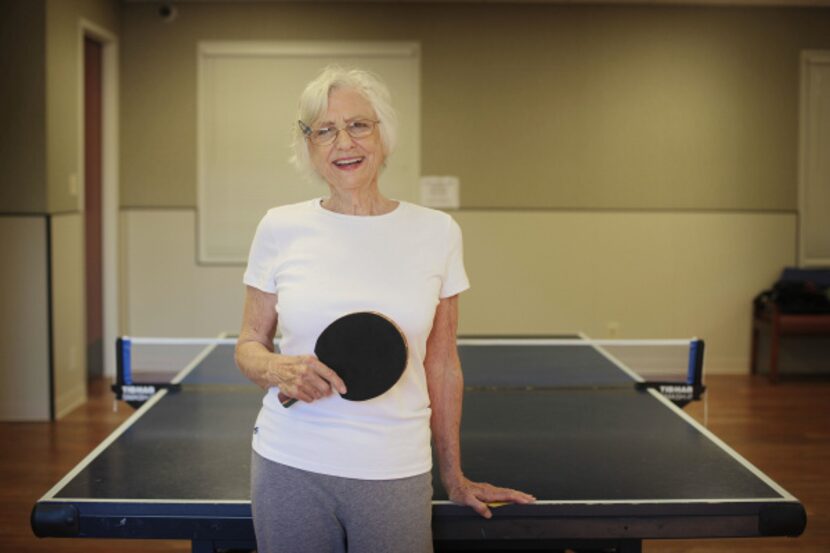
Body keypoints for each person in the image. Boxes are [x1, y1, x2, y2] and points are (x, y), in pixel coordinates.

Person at [235, 66, 534, 553]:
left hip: (394, 468)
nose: (343, 142)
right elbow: (247, 345)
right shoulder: (279, 227)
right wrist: (275, 367)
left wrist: (454, 475)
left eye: (359, 125)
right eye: (324, 131)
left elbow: (441, 363)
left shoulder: (437, 232)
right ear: (309, 147)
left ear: (383, 136)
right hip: (290, 463)